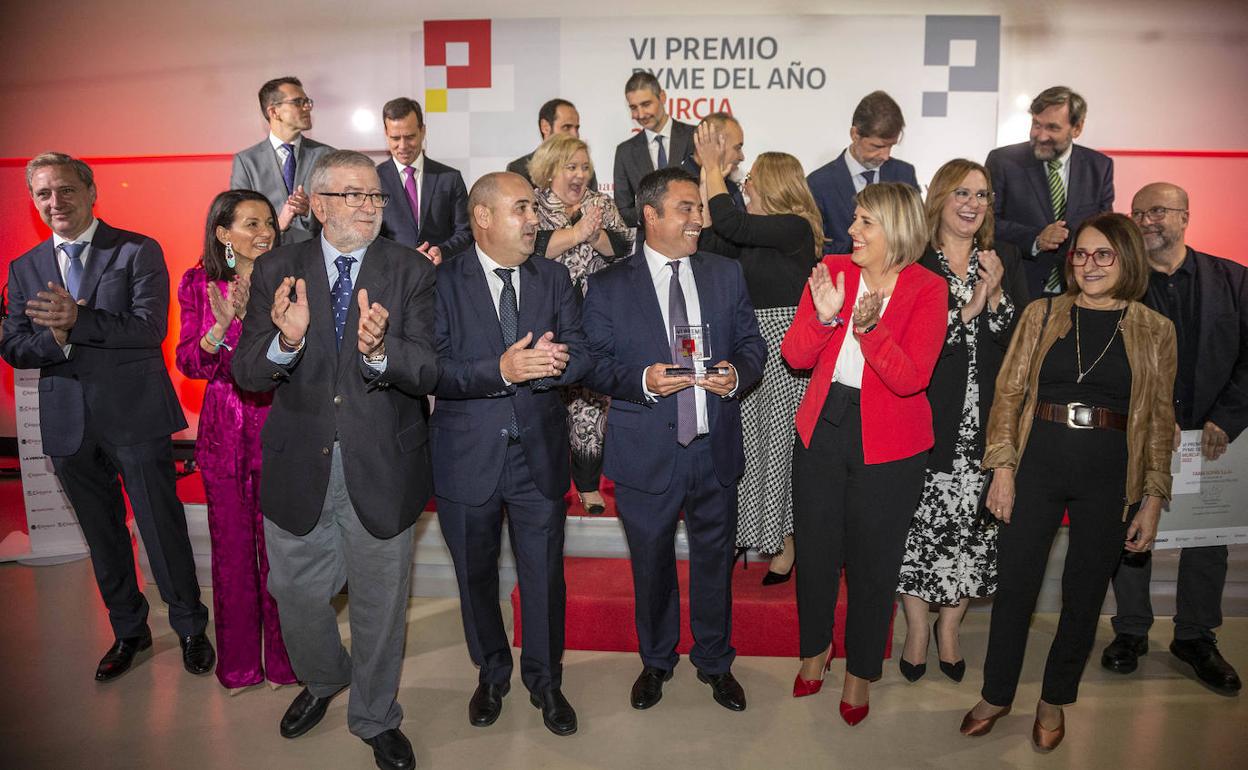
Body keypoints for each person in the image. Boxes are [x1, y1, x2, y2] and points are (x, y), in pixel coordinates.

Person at [232, 150, 437, 770]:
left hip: (383, 462)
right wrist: (287, 340)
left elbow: (429, 365)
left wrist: (381, 353)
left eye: (376, 196)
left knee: (380, 601)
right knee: (292, 592)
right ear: (318, 205)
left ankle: (375, 714)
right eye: (355, 196)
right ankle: (325, 678)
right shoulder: (276, 268)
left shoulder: (411, 271)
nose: (371, 207)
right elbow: (246, 372)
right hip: (300, 462)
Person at [962, 212, 1177, 752]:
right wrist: (1002, 469)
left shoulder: (1156, 330)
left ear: (1127, 259)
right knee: (1016, 588)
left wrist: (1153, 498)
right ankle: (996, 693)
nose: (1089, 264)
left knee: (1083, 596)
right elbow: (1009, 395)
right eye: (1081, 253)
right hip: (1037, 462)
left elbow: (1156, 424)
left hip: (1110, 474)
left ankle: (1054, 698)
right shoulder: (1042, 313)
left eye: (1103, 254)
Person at [1, 152, 214, 681]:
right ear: (34, 201)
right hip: (67, 423)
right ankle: (129, 631)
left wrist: (79, 321)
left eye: (66, 190)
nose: (56, 202)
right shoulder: (24, 268)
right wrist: (54, 338)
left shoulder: (137, 250)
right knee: (102, 534)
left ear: (91, 192)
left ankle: (190, 627)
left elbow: (147, 329)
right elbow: (12, 344)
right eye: (44, 193)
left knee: (160, 528)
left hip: (135, 415)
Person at [582, 167, 765, 713]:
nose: (698, 220)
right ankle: (656, 661)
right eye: (686, 208)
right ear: (651, 215)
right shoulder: (609, 284)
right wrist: (640, 381)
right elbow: (592, 363)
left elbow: (752, 344)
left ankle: (714, 661)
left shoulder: (725, 274)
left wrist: (738, 374)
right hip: (646, 453)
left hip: (715, 448)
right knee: (652, 565)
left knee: (715, 563)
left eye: (699, 209)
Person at [432, 171, 591, 737]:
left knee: (545, 575)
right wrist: (500, 371)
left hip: (539, 458)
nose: (534, 220)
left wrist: (557, 363)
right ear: (483, 217)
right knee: (474, 576)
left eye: (533, 209)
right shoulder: (440, 283)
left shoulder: (552, 277)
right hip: (466, 457)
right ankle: (492, 672)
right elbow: (433, 370)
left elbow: (584, 354)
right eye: (522, 208)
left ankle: (546, 681)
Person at [782, 182, 945, 725]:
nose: (852, 230)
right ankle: (816, 650)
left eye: (865, 222)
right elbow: (796, 356)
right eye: (854, 219)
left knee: (874, 564)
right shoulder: (833, 271)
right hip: (823, 428)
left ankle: (860, 671)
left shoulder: (926, 289)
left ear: (897, 229)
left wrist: (870, 331)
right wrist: (827, 317)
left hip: (892, 443)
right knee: (818, 551)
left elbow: (910, 381)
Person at [1101, 183, 1245, 695]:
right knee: (1132, 535)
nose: (1146, 221)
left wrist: (1229, 417)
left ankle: (1196, 637)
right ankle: (1131, 631)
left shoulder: (1234, 281)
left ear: (1185, 216)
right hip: (1138, 433)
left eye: (1158, 211)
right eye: (1138, 213)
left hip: (1211, 437)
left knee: (1206, 541)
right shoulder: (1118, 284)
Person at [895, 159, 1027, 683]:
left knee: (974, 530)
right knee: (917, 529)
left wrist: (995, 296)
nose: (973, 204)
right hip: (926, 418)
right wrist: (969, 306)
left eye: (982, 194)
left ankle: (950, 627)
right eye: (962, 193)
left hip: (986, 423)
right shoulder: (914, 263)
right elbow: (909, 343)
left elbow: (1019, 344)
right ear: (939, 199)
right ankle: (917, 627)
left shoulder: (1003, 259)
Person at [175, 190, 297, 691]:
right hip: (225, 435)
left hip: (282, 430)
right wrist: (223, 330)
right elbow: (189, 363)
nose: (266, 231)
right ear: (223, 233)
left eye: (269, 221)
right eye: (251, 223)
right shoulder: (198, 283)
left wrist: (257, 324)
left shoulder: (290, 281)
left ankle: (289, 663)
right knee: (231, 557)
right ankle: (241, 665)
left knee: (284, 557)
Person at [693, 124, 820, 583]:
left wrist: (711, 168)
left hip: (786, 353)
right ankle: (743, 533)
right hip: (747, 344)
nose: (743, 185)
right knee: (744, 446)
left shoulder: (795, 228)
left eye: (749, 181)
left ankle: (787, 543)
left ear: (772, 186)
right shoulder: (752, 234)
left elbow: (731, 223)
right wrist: (714, 183)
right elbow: (711, 243)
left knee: (780, 450)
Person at [529, 134, 634, 515]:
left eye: (584, 167)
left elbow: (625, 249)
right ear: (551, 168)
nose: (578, 175)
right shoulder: (533, 203)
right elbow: (532, 247)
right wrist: (575, 234)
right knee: (546, 400)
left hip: (594, 317)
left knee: (590, 403)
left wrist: (597, 236)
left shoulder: (601, 204)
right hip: (546, 319)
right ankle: (548, 479)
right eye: (570, 167)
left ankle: (589, 485)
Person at [985, 86, 1114, 299]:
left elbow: (1105, 230)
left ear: (1077, 128)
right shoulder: (1003, 161)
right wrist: (1036, 239)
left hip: (1079, 292)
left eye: (1053, 128)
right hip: (1019, 289)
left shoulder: (1099, 167)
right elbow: (987, 222)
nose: (1041, 136)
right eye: (1036, 124)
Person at [807, 91, 920, 255]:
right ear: (855, 134)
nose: (886, 155)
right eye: (877, 146)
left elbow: (915, 236)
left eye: (891, 146)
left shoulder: (903, 175)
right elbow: (816, 247)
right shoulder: (818, 183)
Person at [230, 76, 335, 244]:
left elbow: (339, 211)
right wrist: (277, 225)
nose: (307, 107)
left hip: (316, 256)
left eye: (307, 101)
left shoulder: (327, 156)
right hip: (267, 258)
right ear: (274, 112)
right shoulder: (246, 161)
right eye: (298, 102)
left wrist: (309, 211)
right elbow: (238, 220)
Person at [376, 97, 472, 265]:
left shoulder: (450, 178)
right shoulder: (373, 180)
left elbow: (466, 232)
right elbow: (367, 235)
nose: (403, 146)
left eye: (410, 137)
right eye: (395, 138)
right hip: (393, 279)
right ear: (386, 134)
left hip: (442, 277)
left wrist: (442, 251)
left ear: (423, 131)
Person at [612, 72, 696, 227]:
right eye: (633, 107)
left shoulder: (695, 137)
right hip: (648, 243)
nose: (641, 114)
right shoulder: (625, 152)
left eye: (646, 104)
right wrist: (651, 215)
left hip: (694, 237)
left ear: (662, 97)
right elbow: (623, 210)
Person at [507, 98, 598, 191]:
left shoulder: (584, 169)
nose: (575, 135)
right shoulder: (519, 169)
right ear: (545, 127)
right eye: (566, 127)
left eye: (577, 128)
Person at [680, 112, 746, 215]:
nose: (742, 157)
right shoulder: (674, 185)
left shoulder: (731, 188)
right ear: (712, 144)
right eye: (737, 148)